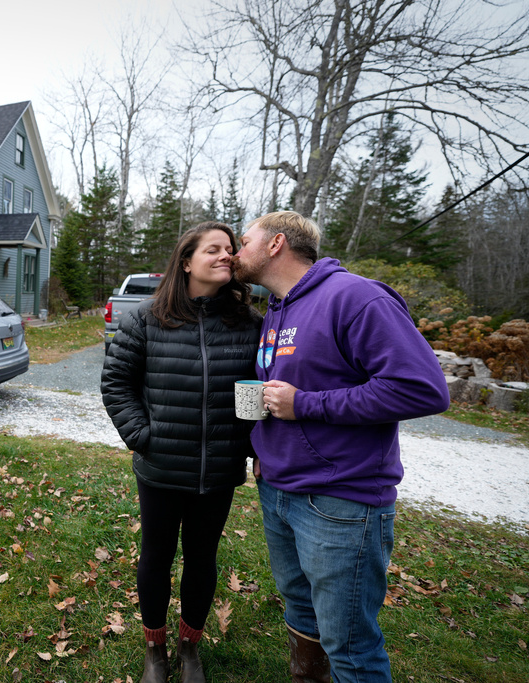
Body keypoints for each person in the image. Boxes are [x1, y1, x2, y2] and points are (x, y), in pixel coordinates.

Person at [231, 211, 449, 683]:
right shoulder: (277, 308)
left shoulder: (354, 297)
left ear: (276, 245)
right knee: (302, 616)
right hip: (280, 492)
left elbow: (423, 389)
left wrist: (306, 404)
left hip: (339, 501)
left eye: (243, 240)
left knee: (349, 644)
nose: (235, 250)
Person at [102, 222, 262, 683]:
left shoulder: (248, 324)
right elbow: (116, 383)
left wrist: (249, 444)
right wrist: (141, 435)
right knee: (155, 557)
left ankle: (189, 647)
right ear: (186, 261)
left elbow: (254, 391)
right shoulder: (147, 318)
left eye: (230, 249)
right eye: (213, 249)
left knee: (202, 558)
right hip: (161, 466)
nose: (226, 256)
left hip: (219, 470)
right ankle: (155, 649)